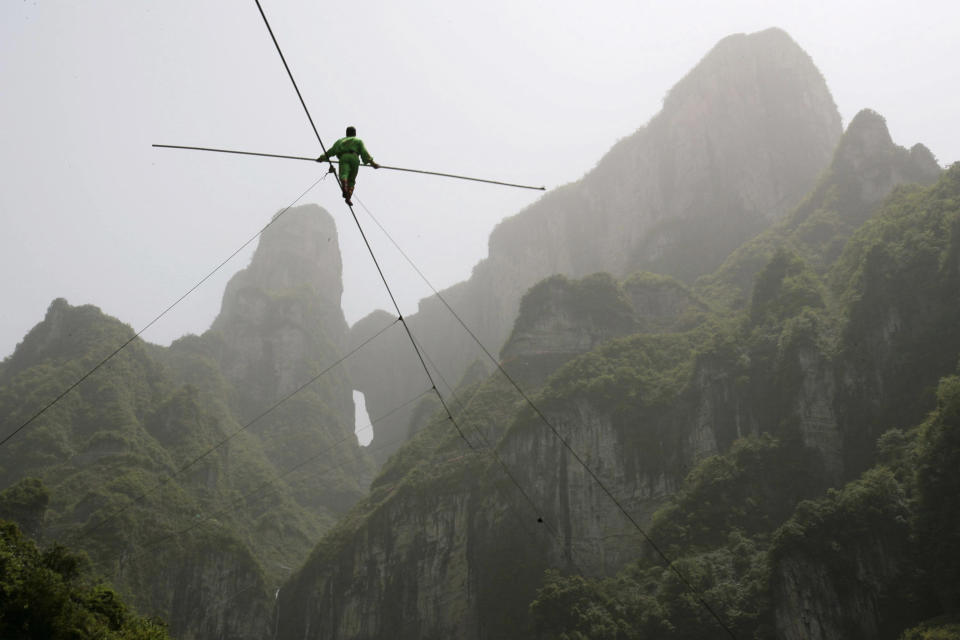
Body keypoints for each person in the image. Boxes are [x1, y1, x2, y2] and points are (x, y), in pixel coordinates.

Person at [315, 126, 379, 206]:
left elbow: (331, 151)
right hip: (355, 159)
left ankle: (344, 188)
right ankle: (348, 197)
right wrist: (372, 163)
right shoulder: (358, 141)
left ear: (346, 133)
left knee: (344, 174)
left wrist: (322, 158)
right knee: (352, 180)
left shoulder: (340, 141)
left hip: (344, 157)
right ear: (355, 134)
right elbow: (364, 153)